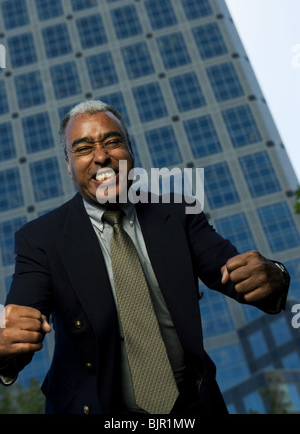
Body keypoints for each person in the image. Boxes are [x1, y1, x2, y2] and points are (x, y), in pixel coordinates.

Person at [0, 100, 290, 415]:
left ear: (130, 152)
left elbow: (243, 276)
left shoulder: (179, 213)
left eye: (113, 142)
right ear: (69, 165)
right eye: (83, 149)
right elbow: (18, 325)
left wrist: (274, 274)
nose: (101, 157)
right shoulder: (40, 239)